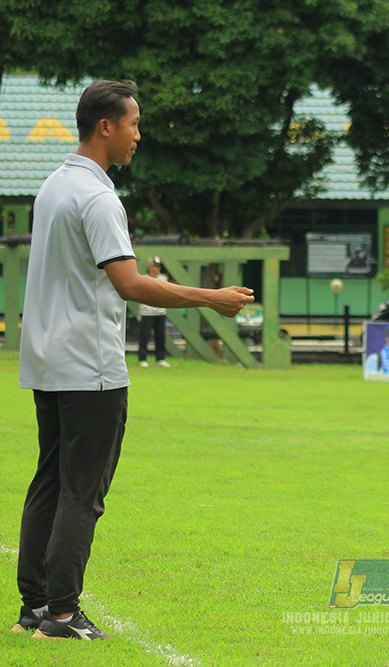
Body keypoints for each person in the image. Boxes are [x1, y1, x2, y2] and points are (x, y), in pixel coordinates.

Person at [14, 80, 254, 641]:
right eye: (134, 124)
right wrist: (211, 298)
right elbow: (128, 284)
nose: (138, 135)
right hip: (91, 367)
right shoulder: (98, 197)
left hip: (48, 360)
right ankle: (63, 615)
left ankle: (34, 608)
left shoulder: (54, 185)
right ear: (106, 127)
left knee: (49, 482)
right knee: (82, 492)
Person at [137, 257, 170, 367]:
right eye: (155, 266)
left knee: (160, 336)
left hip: (160, 312)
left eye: (158, 266)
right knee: (145, 335)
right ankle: (142, 358)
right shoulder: (144, 279)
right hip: (147, 312)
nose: (157, 269)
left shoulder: (163, 278)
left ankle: (160, 358)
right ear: (150, 267)